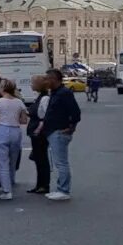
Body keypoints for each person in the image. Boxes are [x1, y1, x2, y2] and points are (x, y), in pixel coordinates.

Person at [38, 72, 82, 201]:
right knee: (58, 162)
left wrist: (71, 127)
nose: (45, 82)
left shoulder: (64, 93)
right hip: (53, 130)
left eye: (47, 79)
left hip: (59, 131)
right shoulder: (56, 92)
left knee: (61, 162)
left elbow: (75, 112)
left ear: (54, 79)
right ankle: (60, 188)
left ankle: (63, 190)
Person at [0, 78, 29, 202]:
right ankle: (11, 181)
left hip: (1, 131)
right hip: (15, 131)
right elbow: (24, 120)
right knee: (12, 160)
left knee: (2, 162)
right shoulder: (19, 102)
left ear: (2, 88)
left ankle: (6, 189)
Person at [27, 73, 54, 194]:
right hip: (36, 131)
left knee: (41, 159)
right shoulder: (39, 97)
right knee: (38, 159)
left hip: (39, 132)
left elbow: (44, 116)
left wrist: (38, 129)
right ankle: (39, 184)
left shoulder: (44, 98)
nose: (31, 85)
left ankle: (44, 184)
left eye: (33, 83)